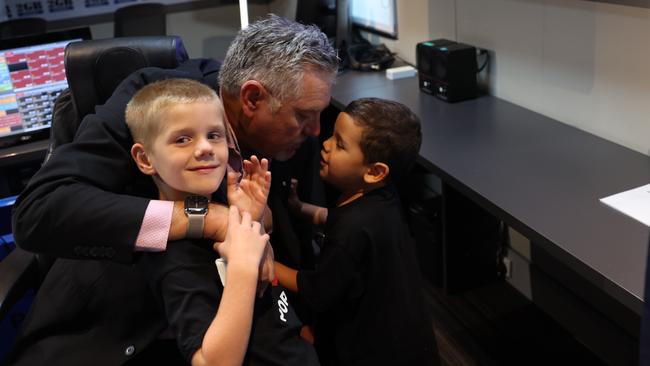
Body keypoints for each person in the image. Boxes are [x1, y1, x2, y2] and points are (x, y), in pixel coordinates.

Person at [8, 15, 337, 363]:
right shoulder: (157, 109)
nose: (316, 130)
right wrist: (211, 219)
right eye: (303, 117)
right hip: (123, 325)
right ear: (252, 98)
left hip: (229, 312)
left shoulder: (280, 121)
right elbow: (38, 211)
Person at [275, 98, 441, 366]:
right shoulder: (380, 198)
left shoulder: (352, 231)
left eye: (340, 144)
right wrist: (300, 208)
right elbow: (337, 220)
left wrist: (263, 262)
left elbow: (317, 291)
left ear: (374, 172)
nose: (326, 145)